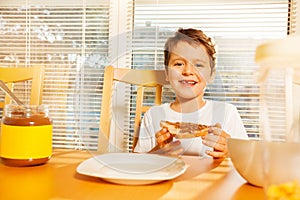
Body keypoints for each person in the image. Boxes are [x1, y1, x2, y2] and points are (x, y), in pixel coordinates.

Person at [133, 28, 248, 158]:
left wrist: (229, 152)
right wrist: (158, 152)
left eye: (198, 65)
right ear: (166, 73)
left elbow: (248, 161)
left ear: (211, 75)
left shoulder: (227, 113)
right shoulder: (153, 115)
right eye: (179, 64)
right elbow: (137, 163)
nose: (188, 71)